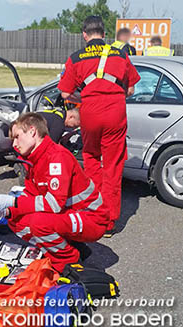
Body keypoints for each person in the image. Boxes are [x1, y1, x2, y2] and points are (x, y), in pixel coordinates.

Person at [0, 113, 108, 272]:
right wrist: (8, 211)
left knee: (39, 223)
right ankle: (65, 248)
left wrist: (13, 202)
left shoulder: (56, 157)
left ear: (32, 131)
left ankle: (69, 263)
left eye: (17, 137)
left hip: (91, 217)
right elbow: (31, 195)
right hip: (71, 213)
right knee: (15, 220)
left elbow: (54, 204)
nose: (14, 144)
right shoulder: (33, 159)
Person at [57, 15, 140, 237]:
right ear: (104, 34)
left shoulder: (75, 58)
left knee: (91, 159)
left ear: (84, 35)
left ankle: (93, 214)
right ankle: (110, 223)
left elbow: (64, 92)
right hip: (115, 112)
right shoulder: (120, 53)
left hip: (90, 112)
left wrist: (86, 94)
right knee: (112, 166)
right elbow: (130, 89)